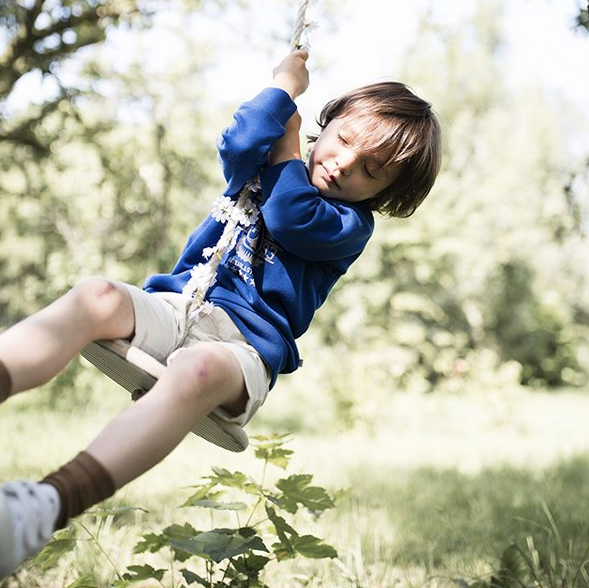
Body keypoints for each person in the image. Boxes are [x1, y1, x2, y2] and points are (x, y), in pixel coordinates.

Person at [0, 49, 441, 579]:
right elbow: (238, 139)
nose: (344, 164)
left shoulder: (348, 225)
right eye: (344, 140)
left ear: (384, 194)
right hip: (182, 304)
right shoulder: (266, 155)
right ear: (328, 121)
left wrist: (288, 139)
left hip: (242, 349)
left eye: (371, 171)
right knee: (97, 295)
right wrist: (283, 93)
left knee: (198, 370)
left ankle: (43, 507)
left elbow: (288, 214)